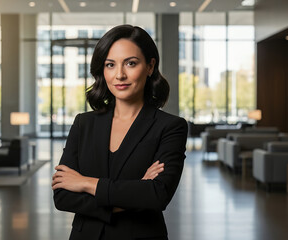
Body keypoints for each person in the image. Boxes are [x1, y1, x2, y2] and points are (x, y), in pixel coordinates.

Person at [52, 24, 188, 240]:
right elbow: (62, 196)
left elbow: (157, 195)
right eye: (110, 65)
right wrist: (135, 193)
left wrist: (86, 183)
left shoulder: (170, 127)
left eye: (131, 63)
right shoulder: (83, 123)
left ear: (150, 66)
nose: (120, 75)